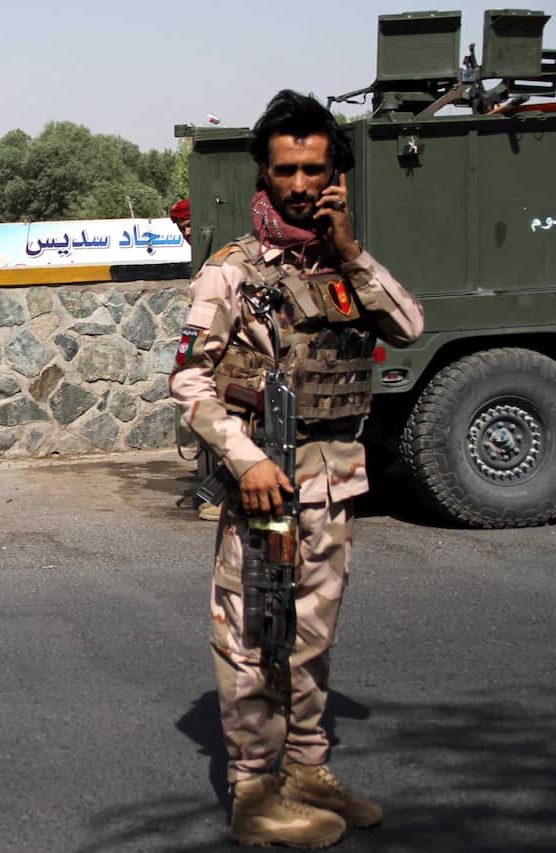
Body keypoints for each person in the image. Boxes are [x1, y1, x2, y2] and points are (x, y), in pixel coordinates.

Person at [170, 91, 424, 848]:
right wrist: (245, 460)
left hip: (333, 482)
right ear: (265, 174)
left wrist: (352, 251)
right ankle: (255, 793)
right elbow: (189, 381)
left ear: (336, 173)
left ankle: (307, 769)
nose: (302, 185)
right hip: (267, 488)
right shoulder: (233, 273)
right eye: (286, 171)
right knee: (254, 638)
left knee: (312, 636)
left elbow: (409, 325)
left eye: (315, 169)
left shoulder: (343, 265)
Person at [170, 198, 223, 522]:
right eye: (181, 228)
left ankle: (224, 498)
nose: (187, 232)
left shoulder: (216, 267)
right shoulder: (206, 263)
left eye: (190, 225)